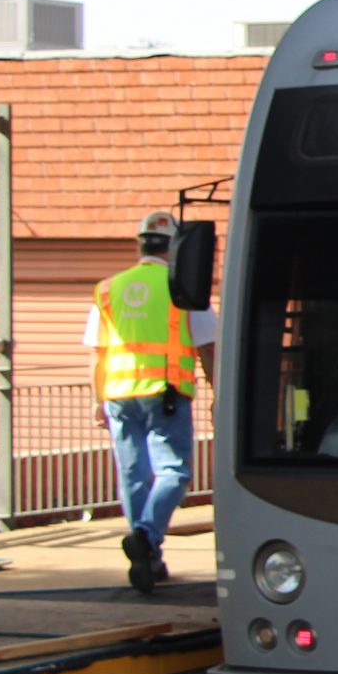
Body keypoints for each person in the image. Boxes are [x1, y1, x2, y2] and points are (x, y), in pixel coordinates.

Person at [87, 209, 215, 593]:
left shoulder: (108, 288)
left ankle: (149, 557)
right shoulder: (186, 288)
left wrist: (97, 399)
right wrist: (219, 397)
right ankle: (145, 536)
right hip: (166, 393)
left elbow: (98, 352)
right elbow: (208, 349)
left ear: (139, 244)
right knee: (174, 472)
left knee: (133, 475)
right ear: (174, 247)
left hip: (119, 395)